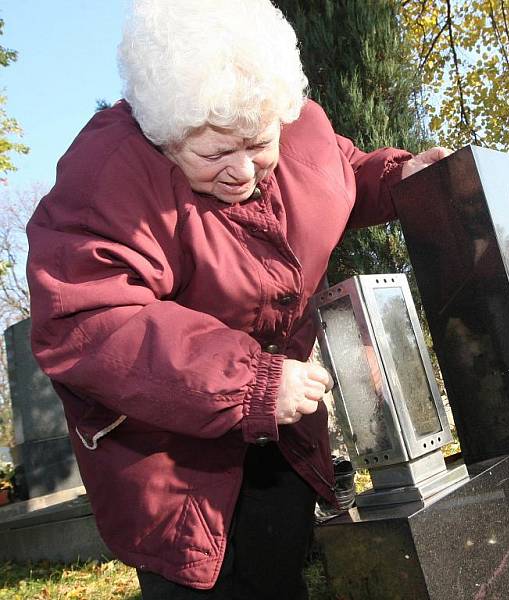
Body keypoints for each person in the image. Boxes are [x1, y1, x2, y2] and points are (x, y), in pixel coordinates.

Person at [25, 1, 449, 598]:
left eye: (257, 142)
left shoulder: (299, 125)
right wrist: (250, 381)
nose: (243, 170)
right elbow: (91, 319)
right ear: (163, 136)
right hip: (169, 458)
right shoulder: (107, 176)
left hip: (283, 436)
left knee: (281, 573)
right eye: (215, 153)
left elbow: (336, 173)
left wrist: (397, 178)